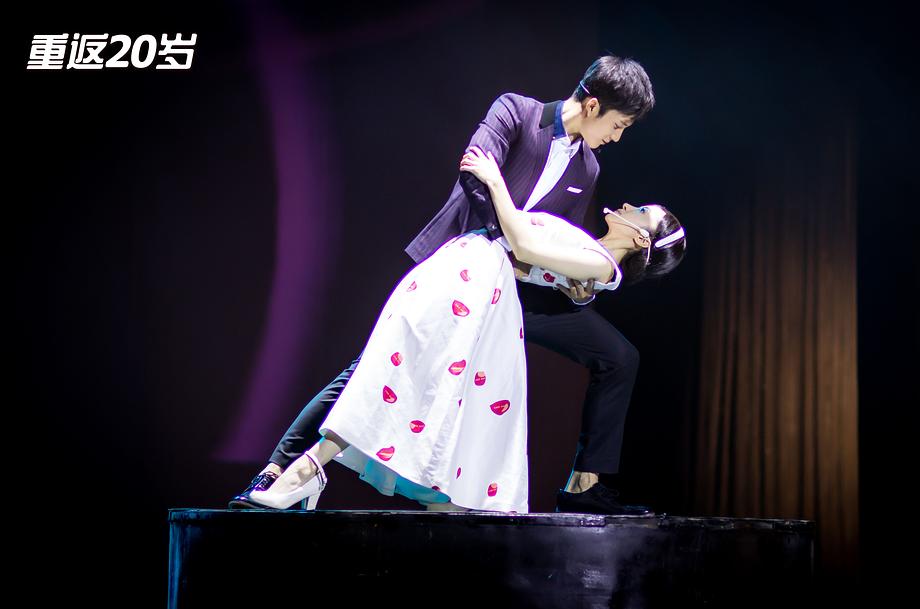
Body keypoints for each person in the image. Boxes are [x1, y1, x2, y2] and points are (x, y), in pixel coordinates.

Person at [229, 55, 669, 514]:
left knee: (618, 356)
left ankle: (582, 486)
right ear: (594, 105)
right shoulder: (516, 112)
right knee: (373, 367)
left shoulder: (588, 169)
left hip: (519, 288)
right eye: (618, 125)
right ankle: (280, 469)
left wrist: (569, 283)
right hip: (464, 269)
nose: (616, 137)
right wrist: (507, 243)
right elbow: (474, 175)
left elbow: (553, 237)